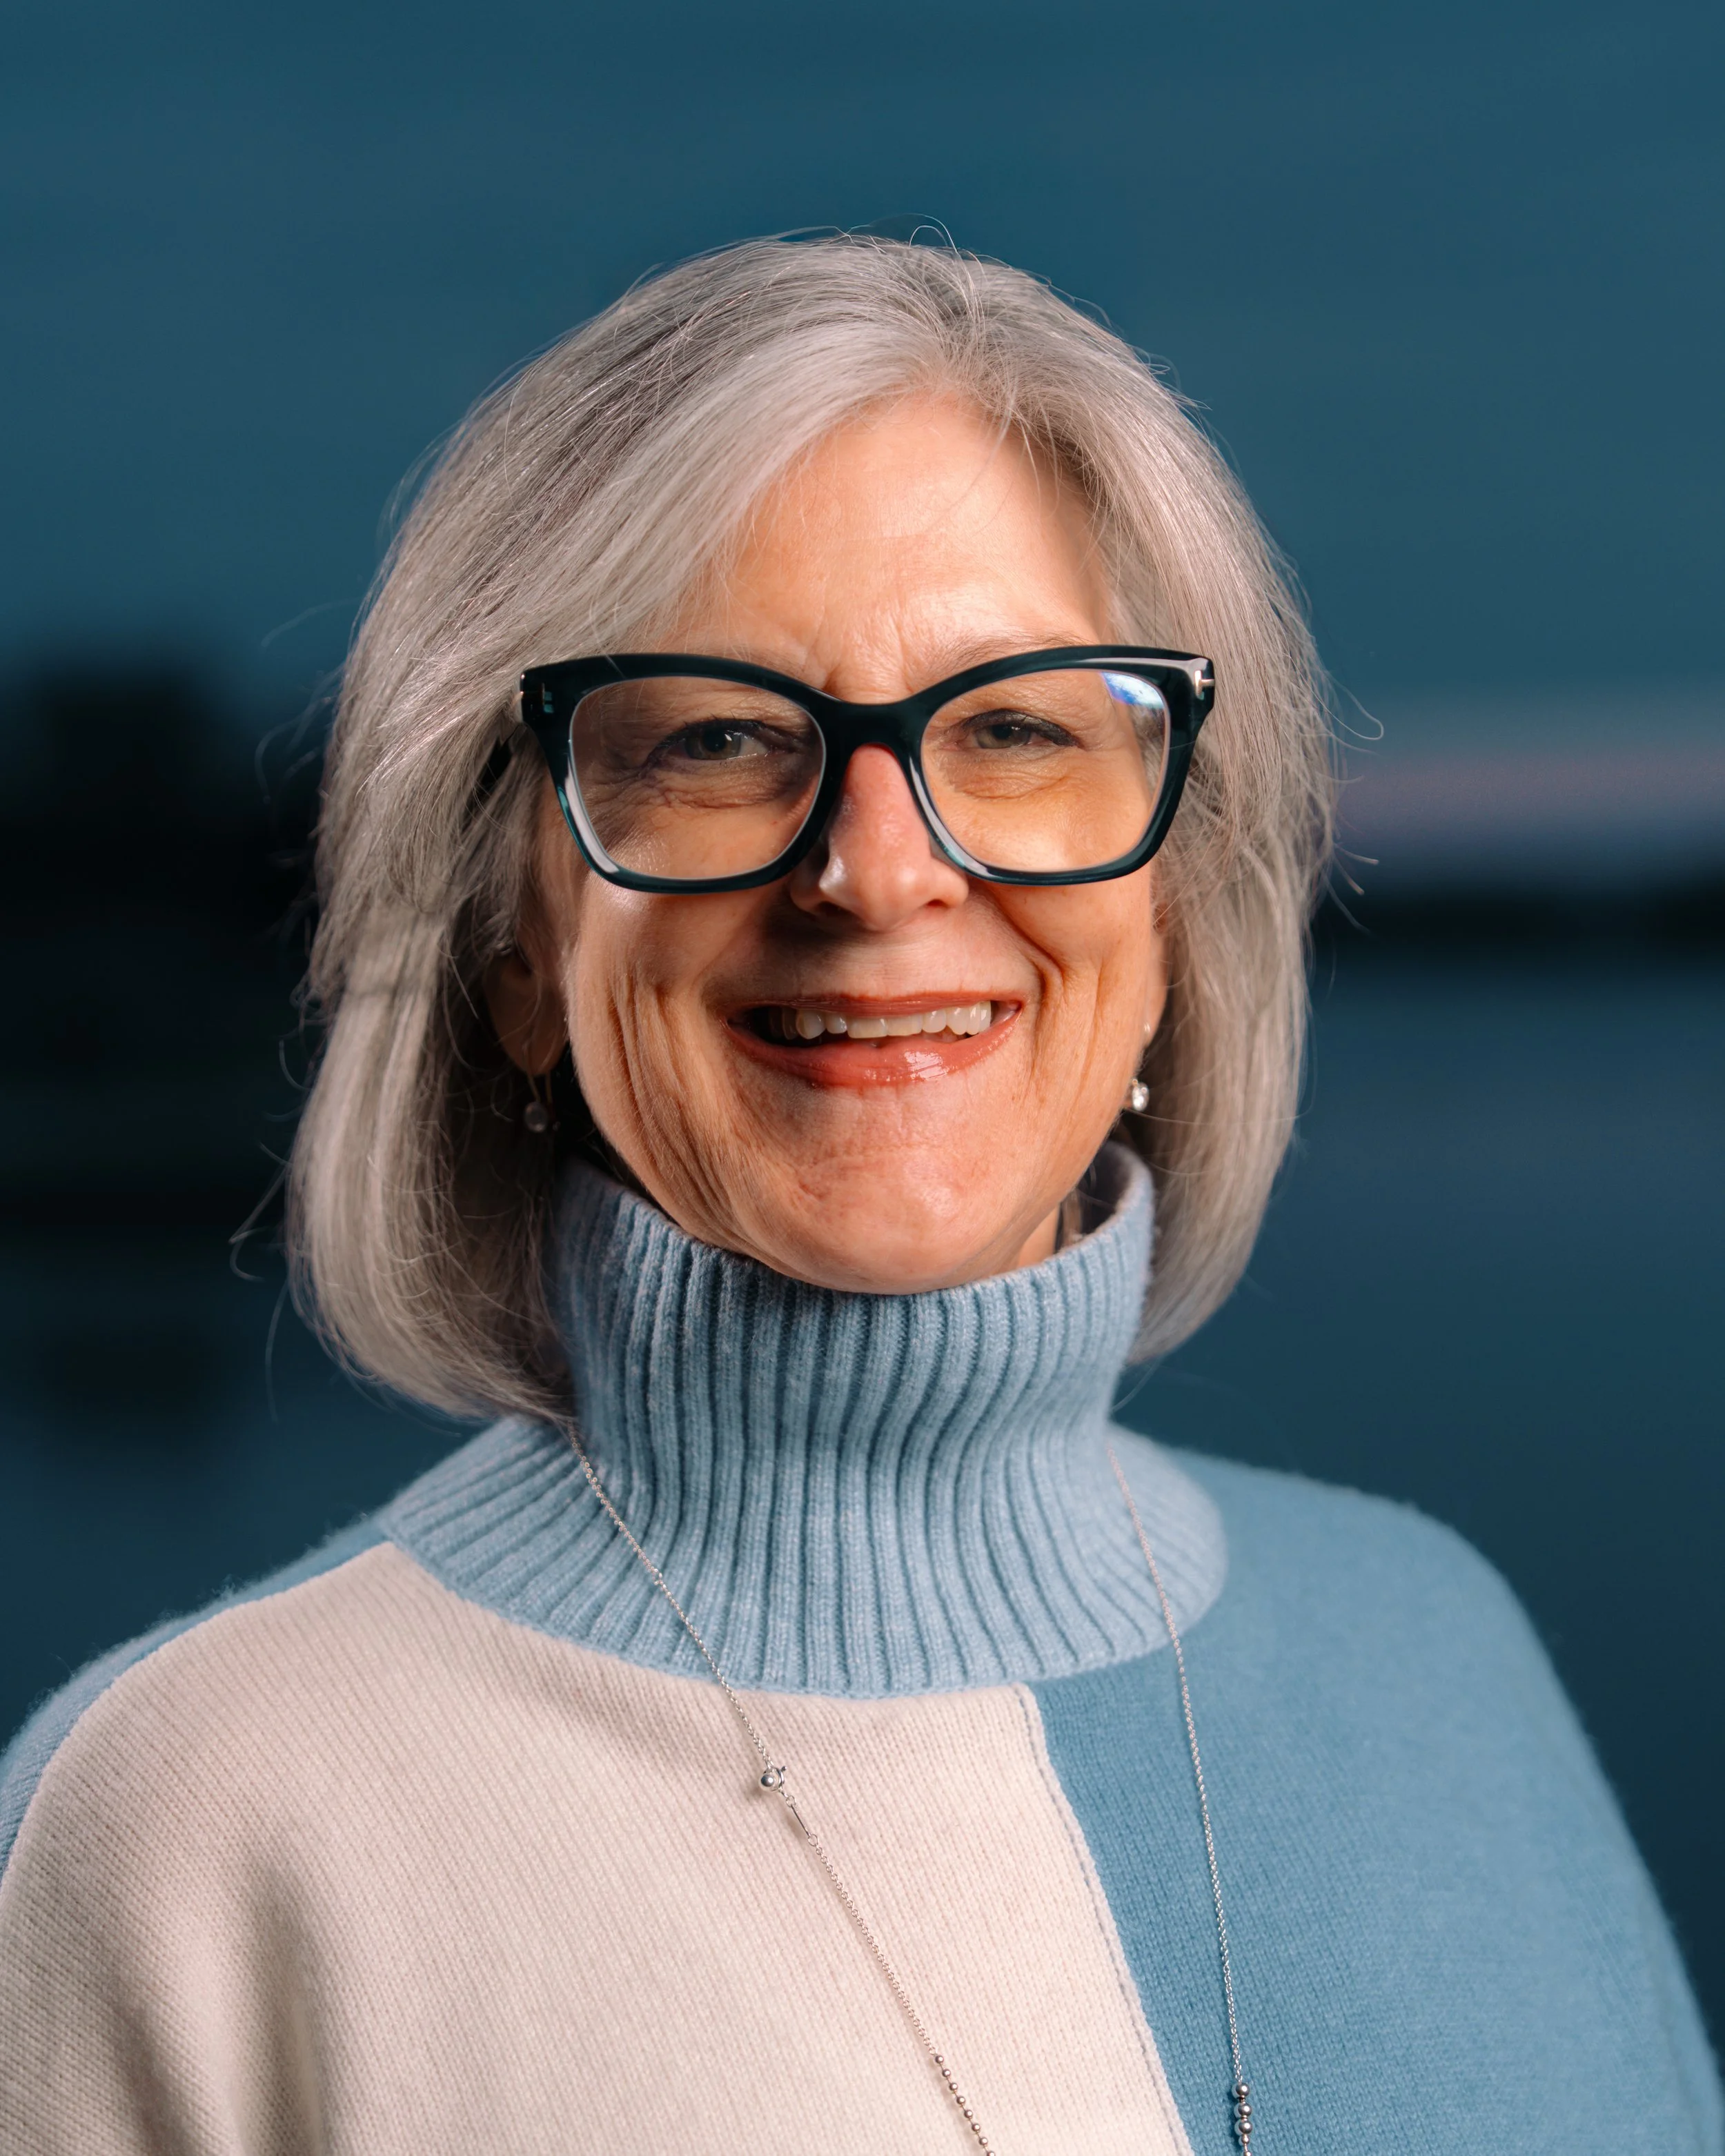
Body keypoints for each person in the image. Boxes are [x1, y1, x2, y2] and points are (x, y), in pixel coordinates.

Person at [0, 237, 1715, 2156]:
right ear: (510, 941)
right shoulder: (202, 1822)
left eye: (1021, 728)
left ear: (1170, 908)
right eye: (717, 741)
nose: (880, 871)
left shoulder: (1440, 1650)